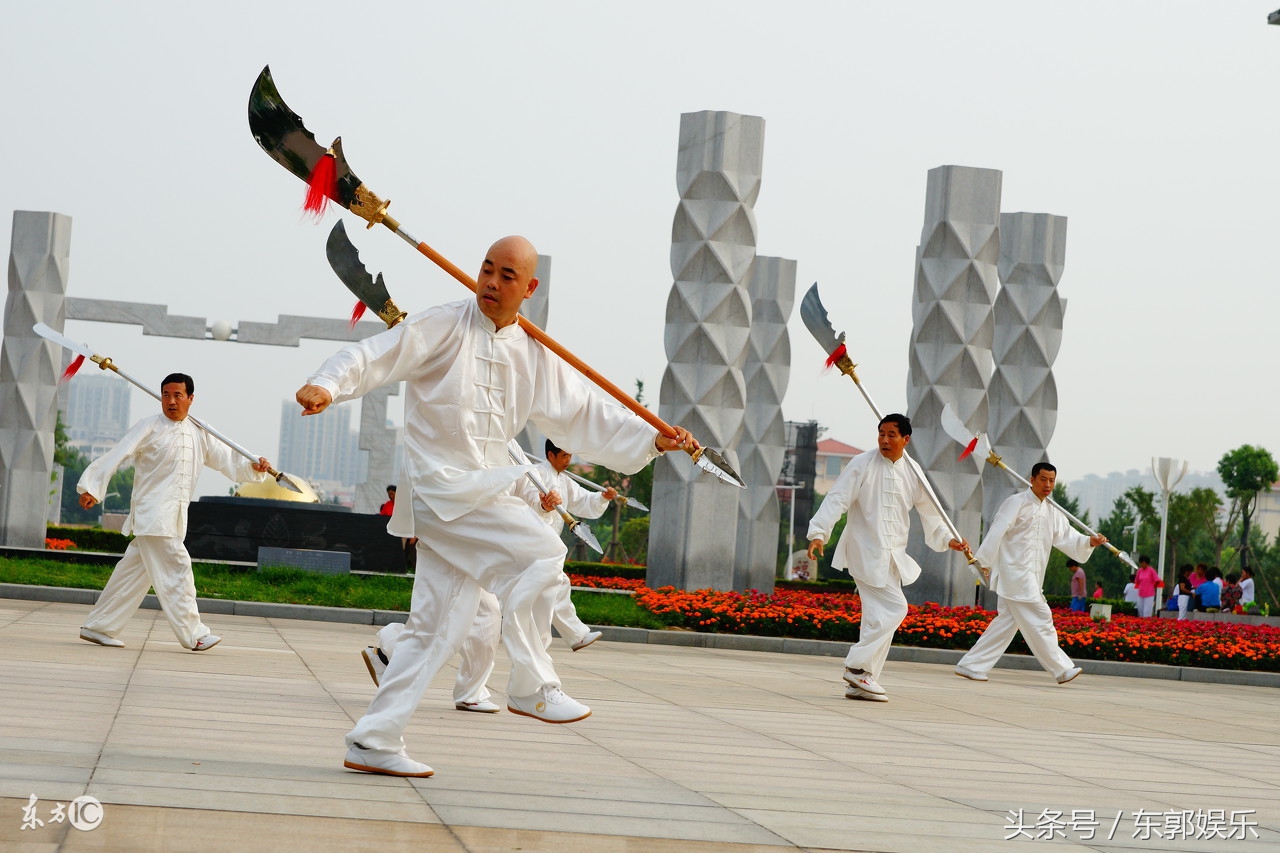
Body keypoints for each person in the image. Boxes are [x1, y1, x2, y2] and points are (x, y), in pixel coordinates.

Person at [295, 235, 695, 777]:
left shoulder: (534, 354)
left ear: (528, 288)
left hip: (482, 491)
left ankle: (374, 739)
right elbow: (373, 356)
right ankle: (532, 684)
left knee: (434, 631)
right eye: (486, 269)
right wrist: (327, 384)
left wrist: (652, 439)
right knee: (542, 553)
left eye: (508, 275)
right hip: (441, 489)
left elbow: (584, 415)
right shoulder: (441, 324)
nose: (491, 281)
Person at [76, 373, 271, 651]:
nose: (171, 401)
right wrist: (93, 487)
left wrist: (254, 467)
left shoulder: (201, 431)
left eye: (178, 395)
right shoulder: (149, 427)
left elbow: (227, 461)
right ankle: (195, 634)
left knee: (132, 575)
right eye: (166, 394)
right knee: (178, 569)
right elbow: (118, 453)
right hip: (153, 514)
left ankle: (99, 626)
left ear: (191, 398)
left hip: (175, 516)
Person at [807, 413, 968, 703]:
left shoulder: (914, 471)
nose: (884, 439)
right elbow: (837, 498)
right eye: (881, 433)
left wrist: (948, 538)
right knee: (896, 609)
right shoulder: (862, 464)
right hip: (865, 552)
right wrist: (819, 532)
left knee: (876, 621)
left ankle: (861, 682)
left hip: (895, 556)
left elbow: (932, 512)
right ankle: (857, 667)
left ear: (906, 439)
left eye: (892, 435)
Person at [954, 462, 1105, 685]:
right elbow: (997, 531)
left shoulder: (1052, 510)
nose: (1048, 484)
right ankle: (1062, 668)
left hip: (1033, 576)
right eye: (1043, 479)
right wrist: (982, 562)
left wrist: (1088, 541)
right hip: (1015, 574)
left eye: (1052, 480)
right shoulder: (1015, 503)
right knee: (1041, 616)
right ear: (1032, 479)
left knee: (1006, 623)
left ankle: (972, 665)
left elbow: (1066, 536)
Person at [515, 438, 619, 652]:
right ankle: (569, 636)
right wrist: (543, 504)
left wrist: (602, 497)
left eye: (570, 456)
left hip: (547, 544)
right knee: (556, 584)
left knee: (546, 593)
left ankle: (547, 643)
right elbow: (528, 499)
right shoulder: (536, 474)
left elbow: (584, 500)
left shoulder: (564, 480)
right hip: (531, 541)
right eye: (564, 455)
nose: (568, 461)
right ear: (550, 455)